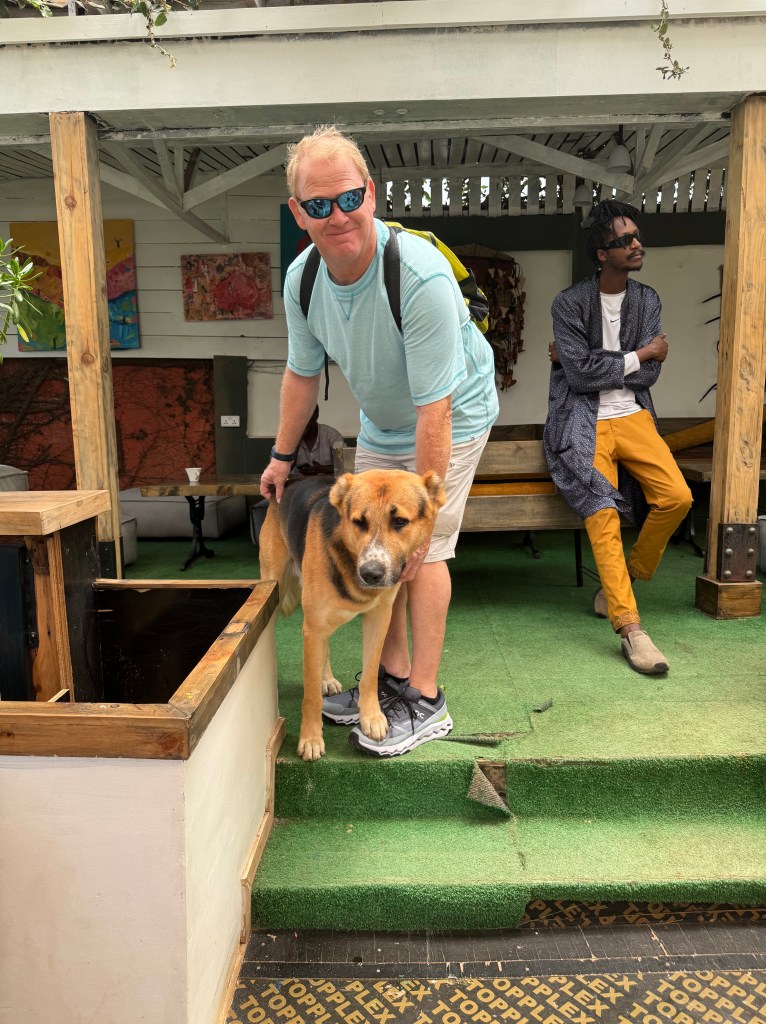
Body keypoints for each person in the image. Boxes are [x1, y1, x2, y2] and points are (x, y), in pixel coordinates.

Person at [259, 125, 498, 756]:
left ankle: (424, 696)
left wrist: (424, 518)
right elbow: (301, 374)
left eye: (347, 198)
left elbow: (435, 409)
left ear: (370, 193)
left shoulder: (419, 278)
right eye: (318, 205)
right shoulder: (303, 280)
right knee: (375, 545)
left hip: (453, 413)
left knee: (422, 553)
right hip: (384, 418)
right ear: (299, 213)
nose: (337, 216)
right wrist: (281, 457)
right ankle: (385, 681)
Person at [544, 200, 692, 675]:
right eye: (625, 240)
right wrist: (642, 353)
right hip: (580, 422)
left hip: (633, 416)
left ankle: (623, 579)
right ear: (601, 254)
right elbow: (582, 377)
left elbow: (645, 378)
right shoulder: (569, 303)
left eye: (636, 236)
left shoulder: (647, 300)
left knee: (678, 497)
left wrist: (595, 362)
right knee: (602, 511)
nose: (636, 244)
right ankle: (631, 628)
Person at [251, 405, 344, 545]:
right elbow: (282, 468)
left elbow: (342, 465)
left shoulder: (331, 435)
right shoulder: (289, 437)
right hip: (299, 487)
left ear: (316, 415)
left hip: (327, 486)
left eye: (307, 416)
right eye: (300, 417)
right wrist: (297, 439)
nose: (303, 420)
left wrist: (320, 468)